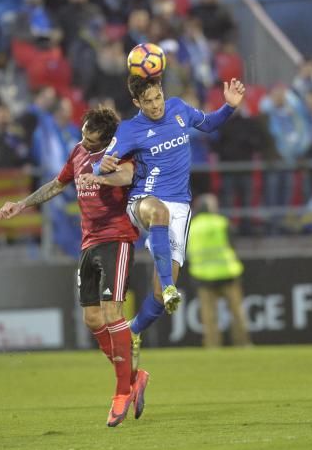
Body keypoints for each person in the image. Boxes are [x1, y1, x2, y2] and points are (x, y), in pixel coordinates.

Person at [0, 107, 150, 427]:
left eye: (90, 140)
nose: (83, 142)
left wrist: (102, 175)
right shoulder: (79, 151)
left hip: (116, 240)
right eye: (82, 134)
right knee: (92, 318)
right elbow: (57, 184)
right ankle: (135, 377)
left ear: (106, 140)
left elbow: (127, 175)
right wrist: (22, 204)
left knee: (112, 313)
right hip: (88, 242)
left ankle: (122, 392)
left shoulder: (120, 151)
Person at [83, 74, 245, 370]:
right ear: (137, 103)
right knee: (158, 213)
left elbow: (208, 124)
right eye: (148, 101)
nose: (156, 105)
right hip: (144, 199)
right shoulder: (130, 129)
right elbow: (101, 162)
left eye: (158, 98)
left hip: (180, 206)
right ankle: (171, 288)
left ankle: (132, 331)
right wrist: (100, 165)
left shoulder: (179, 109)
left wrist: (229, 107)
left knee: (157, 297)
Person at [187, 194, 252, 348]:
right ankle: (243, 343)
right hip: (227, 273)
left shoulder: (191, 227)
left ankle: (212, 346)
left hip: (202, 276)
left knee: (209, 316)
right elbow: (232, 245)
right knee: (237, 313)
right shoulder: (221, 223)